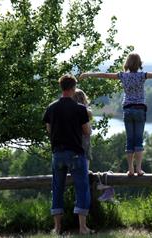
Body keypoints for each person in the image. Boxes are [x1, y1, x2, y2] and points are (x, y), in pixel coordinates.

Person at [79, 53, 152, 177]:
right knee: (138, 140)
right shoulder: (142, 76)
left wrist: (88, 74)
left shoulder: (122, 76)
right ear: (139, 64)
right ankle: (139, 169)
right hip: (140, 110)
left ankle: (130, 170)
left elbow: (104, 75)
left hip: (128, 110)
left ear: (127, 63)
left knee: (130, 140)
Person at [43, 74, 92, 235]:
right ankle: (82, 228)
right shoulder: (80, 109)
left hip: (57, 154)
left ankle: (57, 228)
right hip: (76, 154)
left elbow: (49, 130)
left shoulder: (51, 107)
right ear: (73, 88)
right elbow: (87, 131)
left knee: (57, 189)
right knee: (82, 189)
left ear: (61, 87)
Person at [72, 88, 93, 170]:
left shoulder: (70, 111)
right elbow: (87, 131)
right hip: (84, 145)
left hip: (71, 146)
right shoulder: (86, 112)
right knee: (84, 171)